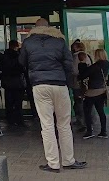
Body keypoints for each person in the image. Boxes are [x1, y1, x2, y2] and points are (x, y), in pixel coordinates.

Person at [19, 18, 86, 173]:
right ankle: (69, 160)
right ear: (48, 27)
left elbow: (21, 62)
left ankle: (53, 163)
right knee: (64, 124)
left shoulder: (28, 43)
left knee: (47, 125)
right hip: (59, 84)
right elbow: (68, 65)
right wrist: (67, 84)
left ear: (34, 28)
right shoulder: (60, 41)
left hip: (40, 85)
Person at [78, 48, 109, 139]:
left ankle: (89, 131)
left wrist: (82, 63)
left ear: (97, 55)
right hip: (102, 90)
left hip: (92, 92)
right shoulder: (106, 64)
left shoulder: (96, 65)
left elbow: (83, 75)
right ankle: (103, 131)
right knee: (101, 111)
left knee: (87, 111)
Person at [0, 39, 26, 127]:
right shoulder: (18, 56)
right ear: (16, 46)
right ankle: (19, 120)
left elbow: (1, 68)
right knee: (18, 103)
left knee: (9, 102)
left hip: (7, 83)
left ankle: (10, 120)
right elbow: (22, 67)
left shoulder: (4, 56)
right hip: (17, 83)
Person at [70, 40, 93, 131]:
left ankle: (82, 121)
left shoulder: (75, 57)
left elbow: (75, 71)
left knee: (79, 103)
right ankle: (89, 120)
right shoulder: (88, 56)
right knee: (87, 102)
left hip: (77, 83)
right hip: (87, 83)